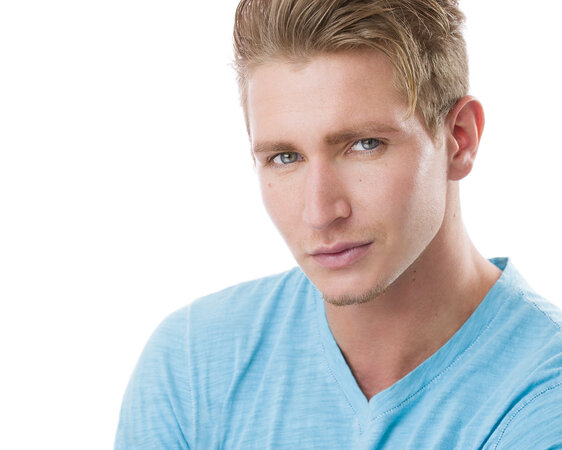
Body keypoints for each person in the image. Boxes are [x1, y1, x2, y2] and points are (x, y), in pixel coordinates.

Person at [115, 0, 562, 448]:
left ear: (459, 139)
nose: (320, 212)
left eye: (364, 145)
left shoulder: (543, 394)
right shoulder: (191, 369)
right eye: (285, 157)